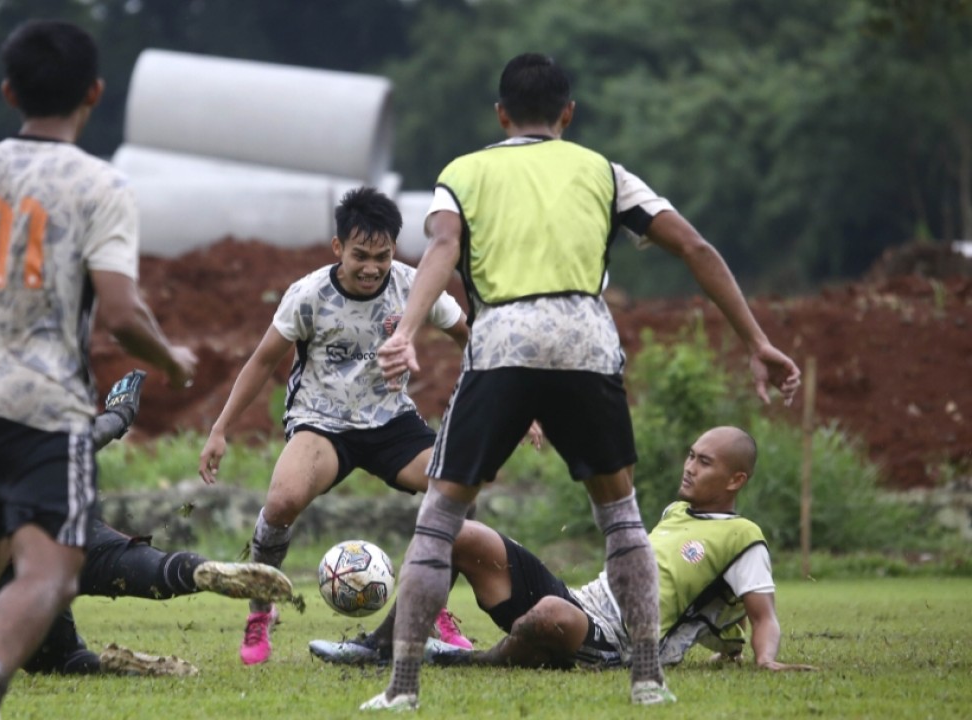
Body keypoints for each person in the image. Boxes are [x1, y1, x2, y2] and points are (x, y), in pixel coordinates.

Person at [364, 54, 802, 710]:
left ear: (501, 115)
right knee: (621, 518)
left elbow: (444, 248)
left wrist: (406, 331)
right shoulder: (604, 171)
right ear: (567, 114)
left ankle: (401, 689)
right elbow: (697, 249)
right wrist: (757, 341)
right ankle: (649, 678)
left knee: (439, 520)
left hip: (505, 339)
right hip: (586, 341)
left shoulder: (463, 172)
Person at [0, 20, 197, 720]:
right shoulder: (99, 185)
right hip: (46, 410)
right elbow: (119, 313)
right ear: (94, 91)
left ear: (7, 90)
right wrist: (169, 358)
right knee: (54, 569)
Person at [197, 186, 491, 666]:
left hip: (391, 421)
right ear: (338, 249)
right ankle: (260, 610)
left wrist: (518, 405)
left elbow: (470, 337)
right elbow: (260, 362)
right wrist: (220, 428)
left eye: (382, 255)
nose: (372, 266)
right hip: (322, 421)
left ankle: (433, 609)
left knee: (460, 490)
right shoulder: (308, 295)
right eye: (360, 255)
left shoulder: (415, 286)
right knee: (281, 502)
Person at [0, 371, 295, 677]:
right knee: (138, 564)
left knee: (61, 662)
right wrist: (119, 415)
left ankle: (107, 664)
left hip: (9, 599)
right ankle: (197, 571)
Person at [312, 427, 818, 674]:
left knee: (552, 614)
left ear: (735, 478)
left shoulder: (743, 537)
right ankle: (378, 649)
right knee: (460, 533)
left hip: (616, 644)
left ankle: (472, 660)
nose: (689, 467)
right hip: (580, 604)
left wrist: (764, 658)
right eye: (691, 456)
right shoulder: (676, 513)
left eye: (704, 462)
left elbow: (762, 614)